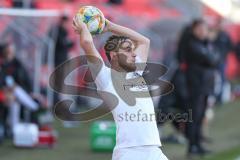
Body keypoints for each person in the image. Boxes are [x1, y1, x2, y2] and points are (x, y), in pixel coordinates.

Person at [72, 16, 168, 160]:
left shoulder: (136, 72)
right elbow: (86, 42)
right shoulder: (105, 77)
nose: (134, 54)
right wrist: (84, 27)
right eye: (128, 50)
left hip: (154, 150)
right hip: (129, 153)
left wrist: (110, 26)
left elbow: (144, 41)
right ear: (114, 55)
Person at [184, 19, 219, 156]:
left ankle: (198, 143)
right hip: (195, 87)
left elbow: (217, 58)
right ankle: (191, 146)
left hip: (206, 86)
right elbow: (211, 59)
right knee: (194, 116)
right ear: (194, 30)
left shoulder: (206, 44)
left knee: (201, 116)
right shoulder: (192, 44)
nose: (203, 31)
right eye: (200, 29)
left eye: (204, 29)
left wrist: (212, 56)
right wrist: (211, 57)